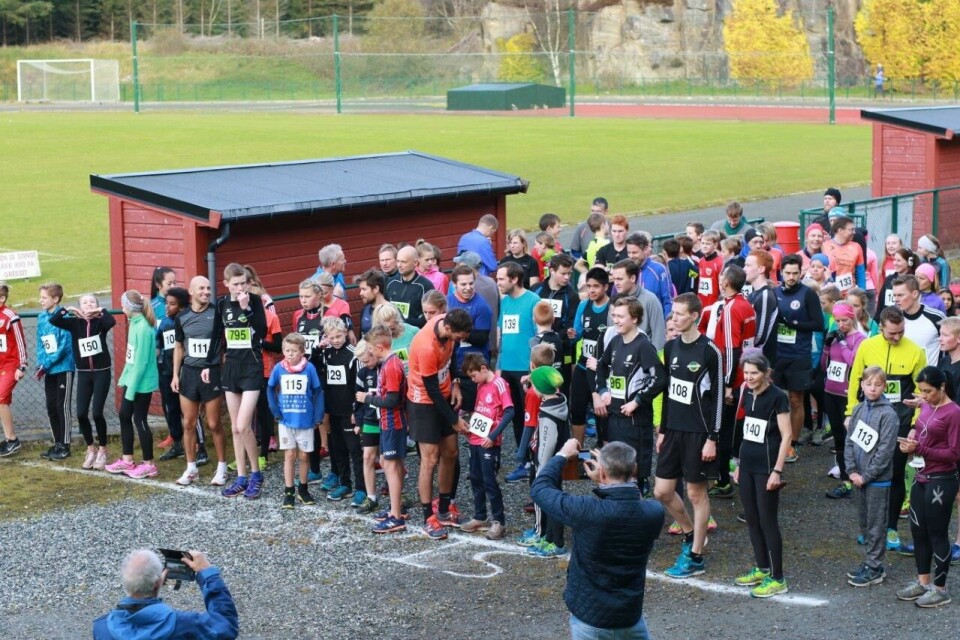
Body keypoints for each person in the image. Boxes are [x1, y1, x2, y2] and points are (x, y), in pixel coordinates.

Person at [531, 437, 664, 638]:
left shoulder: (587, 511)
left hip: (590, 619)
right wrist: (609, 477)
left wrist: (562, 455)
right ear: (634, 470)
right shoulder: (654, 512)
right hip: (630, 616)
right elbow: (631, 504)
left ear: (601, 472)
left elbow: (540, 488)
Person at [846, 307, 926, 554]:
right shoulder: (867, 346)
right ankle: (867, 528)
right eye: (892, 333)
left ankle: (890, 527)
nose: (897, 337)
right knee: (865, 471)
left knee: (895, 472)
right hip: (869, 420)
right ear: (880, 327)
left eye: (901, 331)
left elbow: (921, 392)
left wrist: (915, 425)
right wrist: (849, 413)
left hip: (899, 421)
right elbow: (854, 380)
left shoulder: (915, 351)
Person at [655, 293, 723, 579]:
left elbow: (718, 398)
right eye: (673, 313)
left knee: (696, 493)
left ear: (694, 316)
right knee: (662, 491)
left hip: (698, 432)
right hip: (673, 430)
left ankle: (695, 557)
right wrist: (663, 430)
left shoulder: (710, 351)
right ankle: (690, 533)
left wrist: (713, 438)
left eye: (680, 314)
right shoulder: (670, 347)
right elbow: (669, 392)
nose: (674, 318)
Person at [896, 367, 960, 608]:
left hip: (942, 479)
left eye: (928, 391)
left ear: (942, 387)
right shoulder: (926, 404)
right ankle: (923, 583)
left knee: (937, 533)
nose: (924, 396)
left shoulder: (954, 413)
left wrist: (919, 449)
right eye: (921, 391)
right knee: (918, 531)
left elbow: (954, 453)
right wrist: (911, 438)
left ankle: (940, 589)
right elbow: (922, 430)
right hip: (921, 475)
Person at [407, 309, 473, 540]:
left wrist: (455, 383)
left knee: (451, 452)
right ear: (447, 328)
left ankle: (444, 509)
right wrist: (454, 420)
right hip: (423, 402)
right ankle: (428, 517)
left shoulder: (448, 327)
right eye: (458, 337)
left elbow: (451, 359)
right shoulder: (426, 346)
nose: (459, 341)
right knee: (430, 458)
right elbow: (431, 390)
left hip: (443, 395)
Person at [203, 263, 268, 499]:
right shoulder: (221, 304)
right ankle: (241, 477)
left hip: (251, 367)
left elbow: (262, 331)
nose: (240, 288)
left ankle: (256, 474)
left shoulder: (254, 301)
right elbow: (216, 335)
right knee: (234, 427)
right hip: (231, 367)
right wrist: (208, 364)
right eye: (236, 284)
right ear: (226, 284)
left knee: (243, 425)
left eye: (244, 283)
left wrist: (246, 308)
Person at [594, 296, 667, 495]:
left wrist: (638, 401)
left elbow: (660, 378)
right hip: (614, 416)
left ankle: (640, 494)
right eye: (614, 316)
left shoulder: (643, 346)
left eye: (620, 316)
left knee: (635, 468)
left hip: (636, 421)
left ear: (634, 318)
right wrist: (603, 390)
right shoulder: (616, 340)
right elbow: (601, 366)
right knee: (616, 464)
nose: (615, 320)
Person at [733, 351, 791, 598]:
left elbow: (787, 436)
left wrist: (777, 471)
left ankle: (778, 578)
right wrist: (739, 464)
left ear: (766, 373)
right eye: (746, 373)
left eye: (754, 373)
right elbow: (746, 431)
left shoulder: (778, 397)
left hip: (767, 467)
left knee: (768, 520)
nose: (749, 377)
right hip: (747, 464)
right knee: (752, 518)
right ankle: (762, 567)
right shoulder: (746, 393)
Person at [699, 264, 757, 497]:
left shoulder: (732, 308)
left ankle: (723, 480)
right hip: (744, 375)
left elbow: (733, 349)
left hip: (733, 379)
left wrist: (727, 385)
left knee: (723, 430)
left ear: (725, 282)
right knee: (732, 429)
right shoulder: (746, 304)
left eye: (721, 277)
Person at [92, 549, 238, 640]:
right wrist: (207, 574)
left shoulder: (102, 628)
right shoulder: (184, 624)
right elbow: (226, 625)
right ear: (159, 582)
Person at [844, 366, 899, 587]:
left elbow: (885, 451)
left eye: (877, 385)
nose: (872, 389)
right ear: (862, 385)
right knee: (864, 522)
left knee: (876, 524)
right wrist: (851, 470)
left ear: (884, 386)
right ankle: (870, 561)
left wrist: (866, 476)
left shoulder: (888, 415)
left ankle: (875, 567)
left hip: (877, 480)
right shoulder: (858, 409)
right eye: (868, 384)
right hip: (858, 477)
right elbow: (850, 441)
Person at [49, 293, 115, 469]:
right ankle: (91, 448)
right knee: (81, 413)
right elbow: (54, 320)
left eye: (92, 301)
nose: (88, 304)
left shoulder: (100, 322)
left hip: (101, 372)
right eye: (85, 302)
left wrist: (100, 310)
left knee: (97, 413)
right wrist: (68, 309)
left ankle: (103, 449)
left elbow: (111, 322)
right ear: (80, 306)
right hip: (84, 373)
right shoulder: (74, 323)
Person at [171, 276, 226, 487]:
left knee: (213, 423)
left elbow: (225, 342)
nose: (206, 291)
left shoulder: (217, 313)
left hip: (211, 373)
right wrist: (176, 375)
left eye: (208, 288)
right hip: (189, 373)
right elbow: (179, 347)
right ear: (191, 291)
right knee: (188, 423)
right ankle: (191, 467)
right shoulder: (182, 317)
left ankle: (222, 467)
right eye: (201, 288)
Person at [773, 254, 823, 463]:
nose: (791, 277)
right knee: (774, 398)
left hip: (799, 354)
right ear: (781, 272)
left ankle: (792, 444)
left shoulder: (808, 294)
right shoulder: (774, 293)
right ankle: (775, 439)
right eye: (788, 273)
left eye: (795, 273)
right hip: (777, 354)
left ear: (801, 272)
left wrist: (794, 324)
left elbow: (819, 324)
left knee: (796, 399)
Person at [105, 290, 160, 479]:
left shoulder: (143, 328)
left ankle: (149, 464)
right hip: (132, 381)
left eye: (123, 305)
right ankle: (127, 460)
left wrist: (131, 389)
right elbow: (131, 358)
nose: (122, 308)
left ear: (130, 307)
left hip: (142, 383)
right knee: (124, 415)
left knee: (140, 419)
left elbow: (141, 363)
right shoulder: (134, 324)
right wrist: (124, 379)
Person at [360, 325, 409, 534]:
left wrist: (368, 398)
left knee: (390, 465)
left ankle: (396, 516)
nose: (370, 351)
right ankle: (394, 510)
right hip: (388, 422)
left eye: (371, 348)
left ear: (379, 347)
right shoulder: (390, 363)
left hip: (393, 422)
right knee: (388, 463)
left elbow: (392, 400)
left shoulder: (391, 366)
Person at [459, 353, 513, 540]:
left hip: (489, 442)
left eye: (473, 375)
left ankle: (499, 521)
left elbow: (509, 412)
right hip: (475, 440)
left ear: (483, 369)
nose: (473, 380)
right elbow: (481, 411)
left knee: (490, 481)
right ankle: (480, 516)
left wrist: (493, 436)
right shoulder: (480, 385)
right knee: (475, 478)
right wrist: (470, 429)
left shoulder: (499, 384)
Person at [267, 332, 324, 509]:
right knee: (289, 455)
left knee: (304, 455)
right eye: (287, 350)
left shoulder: (309, 368)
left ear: (302, 352)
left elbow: (318, 392)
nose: (290, 354)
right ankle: (289, 491)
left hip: (305, 420)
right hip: (286, 420)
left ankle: (303, 489)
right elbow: (269, 388)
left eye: (294, 351)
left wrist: (318, 416)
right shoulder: (279, 368)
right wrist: (275, 410)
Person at [496, 261, 542, 481]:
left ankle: (536, 460)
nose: (498, 283)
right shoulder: (505, 302)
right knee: (515, 416)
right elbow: (502, 337)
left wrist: (535, 371)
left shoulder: (534, 301)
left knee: (530, 416)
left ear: (514, 279)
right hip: (507, 369)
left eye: (501, 279)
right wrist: (498, 366)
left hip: (525, 370)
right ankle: (523, 462)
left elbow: (540, 339)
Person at [525, 365, 572, 558]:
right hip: (557, 463)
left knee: (551, 504)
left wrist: (541, 472)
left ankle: (557, 543)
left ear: (540, 388)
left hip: (548, 467)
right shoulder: (559, 402)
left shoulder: (548, 415)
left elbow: (546, 444)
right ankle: (550, 537)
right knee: (553, 501)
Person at [821, 303, 866, 498]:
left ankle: (858, 475)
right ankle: (844, 480)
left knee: (851, 438)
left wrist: (842, 343)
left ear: (852, 318)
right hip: (830, 392)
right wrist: (826, 346)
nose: (841, 324)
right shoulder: (835, 337)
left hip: (847, 395)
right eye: (837, 321)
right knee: (838, 437)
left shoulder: (860, 339)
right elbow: (824, 366)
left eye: (845, 320)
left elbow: (853, 361)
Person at [317, 317, 360, 502]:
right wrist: (318, 348)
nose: (335, 340)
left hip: (349, 410)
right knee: (338, 448)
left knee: (355, 449)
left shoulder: (353, 354)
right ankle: (345, 483)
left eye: (338, 336)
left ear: (345, 333)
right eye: (331, 337)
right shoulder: (326, 353)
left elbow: (358, 384)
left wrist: (356, 410)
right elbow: (314, 365)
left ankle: (362, 488)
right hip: (333, 409)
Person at [570, 267, 611, 445]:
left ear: (606, 287)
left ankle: (603, 449)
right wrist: (573, 335)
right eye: (589, 286)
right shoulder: (583, 305)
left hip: (602, 369)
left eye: (596, 286)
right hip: (583, 366)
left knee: (602, 413)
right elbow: (578, 332)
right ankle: (575, 452)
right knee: (577, 410)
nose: (591, 290)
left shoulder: (612, 307)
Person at [35, 282, 76, 460]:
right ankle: (57, 442)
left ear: (55, 299)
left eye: (44, 298)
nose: (41, 301)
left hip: (64, 367)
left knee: (62, 406)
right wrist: (41, 363)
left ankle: (65, 445)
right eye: (41, 297)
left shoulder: (65, 316)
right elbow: (40, 342)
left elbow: (65, 346)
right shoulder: (41, 317)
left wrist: (48, 363)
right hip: (48, 369)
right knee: (51, 406)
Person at [447, 264, 493, 414]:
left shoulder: (482, 306)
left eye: (471, 283)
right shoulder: (447, 302)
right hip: (453, 366)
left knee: (477, 412)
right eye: (463, 284)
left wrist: (458, 332)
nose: (468, 288)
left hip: (475, 367)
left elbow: (481, 338)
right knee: (453, 412)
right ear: (454, 285)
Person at [533, 253, 578, 386]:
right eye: (563, 273)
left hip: (561, 350)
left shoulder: (572, 296)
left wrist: (553, 338)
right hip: (537, 347)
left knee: (559, 387)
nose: (567, 277)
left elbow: (570, 326)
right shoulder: (536, 290)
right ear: (552, 271)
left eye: (569, 274)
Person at [157, 287, 189, 462]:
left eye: (172, 304)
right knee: (171, 408)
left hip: (185, 372)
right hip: (166, 372)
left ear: (181, 306)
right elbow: (159, 345)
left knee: (188, 410)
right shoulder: (164, 323)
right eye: (166, 303)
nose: (167, 307)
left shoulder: (186, 321)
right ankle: (177, 444)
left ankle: (197, 445)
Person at [609, 259, 666, 350]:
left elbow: (658, 335)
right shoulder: (614, 302)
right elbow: (611, 333)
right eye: (614, 279)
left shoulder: (650, 300)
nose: (616, 283)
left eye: (619, 279)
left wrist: (653, 357)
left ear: (632, 278)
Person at [352, 339, 381, 514]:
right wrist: (359, 422)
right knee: (368, 457)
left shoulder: (386, 367)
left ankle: (399, 494)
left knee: (389, 460)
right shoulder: (362, 373)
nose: (366, 364)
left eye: (368, 360)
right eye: (362, 362)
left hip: (387, 420)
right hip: (370, 420)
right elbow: (358, 399)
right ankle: (371, 498)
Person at [892, 274, 945, 366]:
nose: (896, 299)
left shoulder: (937, 317)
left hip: (930, 374)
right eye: (894, 295)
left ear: (915, 294)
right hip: (902, 373)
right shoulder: (893, 319)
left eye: (900, 295)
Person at [0, 282, 27, 458]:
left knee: (1, 398)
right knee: (2, 401)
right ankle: (8, 438)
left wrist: (22, 365)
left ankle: (12, 439)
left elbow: (20, 341)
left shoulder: (10, 316)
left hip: (10, 365)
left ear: (2, 299)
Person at [385, 245, 434, 328]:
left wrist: (403, 322)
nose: (399, 265)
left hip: (415, 333)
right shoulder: (391, 283)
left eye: (403, 262)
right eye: (398, 261)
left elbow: (429, 317)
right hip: (392, 333)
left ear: (416, 263)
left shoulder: (425, 286)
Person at [745, 249, 779, 365]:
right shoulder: (752, 294)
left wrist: (745, 348)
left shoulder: (765, 295)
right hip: (752, 356)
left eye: (748, 265)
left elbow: (760, 335)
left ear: (761, 269)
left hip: (761, 360)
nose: (744, 269)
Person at [821, 215, 866, 296]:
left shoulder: (856, 247)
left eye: (854, 230)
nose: (854, 232)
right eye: (851, 230)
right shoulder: (824, 246)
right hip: (830, 293)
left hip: (850, 294)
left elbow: (860, 272)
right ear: (840, 230)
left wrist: (862, 292)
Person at [631, 233, 673, 316]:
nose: (631, 256)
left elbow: (667, 300)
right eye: (629, 252)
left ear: (645, 250)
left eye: (634, 252)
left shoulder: (659, 269)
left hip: (655, 320)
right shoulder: (627, 269)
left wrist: (666, 321)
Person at [875, 248, 917, 320]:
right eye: (894, 260)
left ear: (909, 262)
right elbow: (881, 303)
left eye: (899, 260)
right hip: (887, 320)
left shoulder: (914, 281)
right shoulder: (889, 279)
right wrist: (877, 320)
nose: (895, 263)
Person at [697, 230, 723, 310]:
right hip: (702, 302)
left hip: (714, 303)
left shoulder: (720, 262)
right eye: (703, 243)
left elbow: (721, 284)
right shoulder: (701, 261)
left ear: (715, 245)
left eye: (708, 244)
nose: (704, 246)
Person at [358, 268, 388, 337]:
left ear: (376, 289)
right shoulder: (364, 310)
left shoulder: (392, 311)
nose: (360, 293)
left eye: (364, 289)